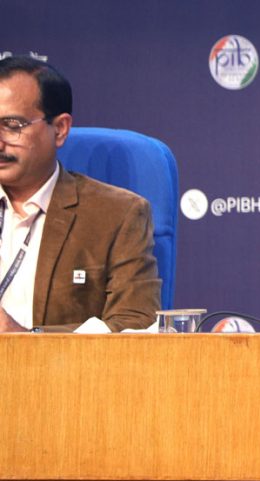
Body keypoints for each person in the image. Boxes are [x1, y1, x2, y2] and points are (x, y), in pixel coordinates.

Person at [0, 56, 160, 332]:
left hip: (58, 374)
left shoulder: (116, 215)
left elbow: (135, 326)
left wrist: (24, 340)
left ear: (60, 129)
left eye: (12, 125)